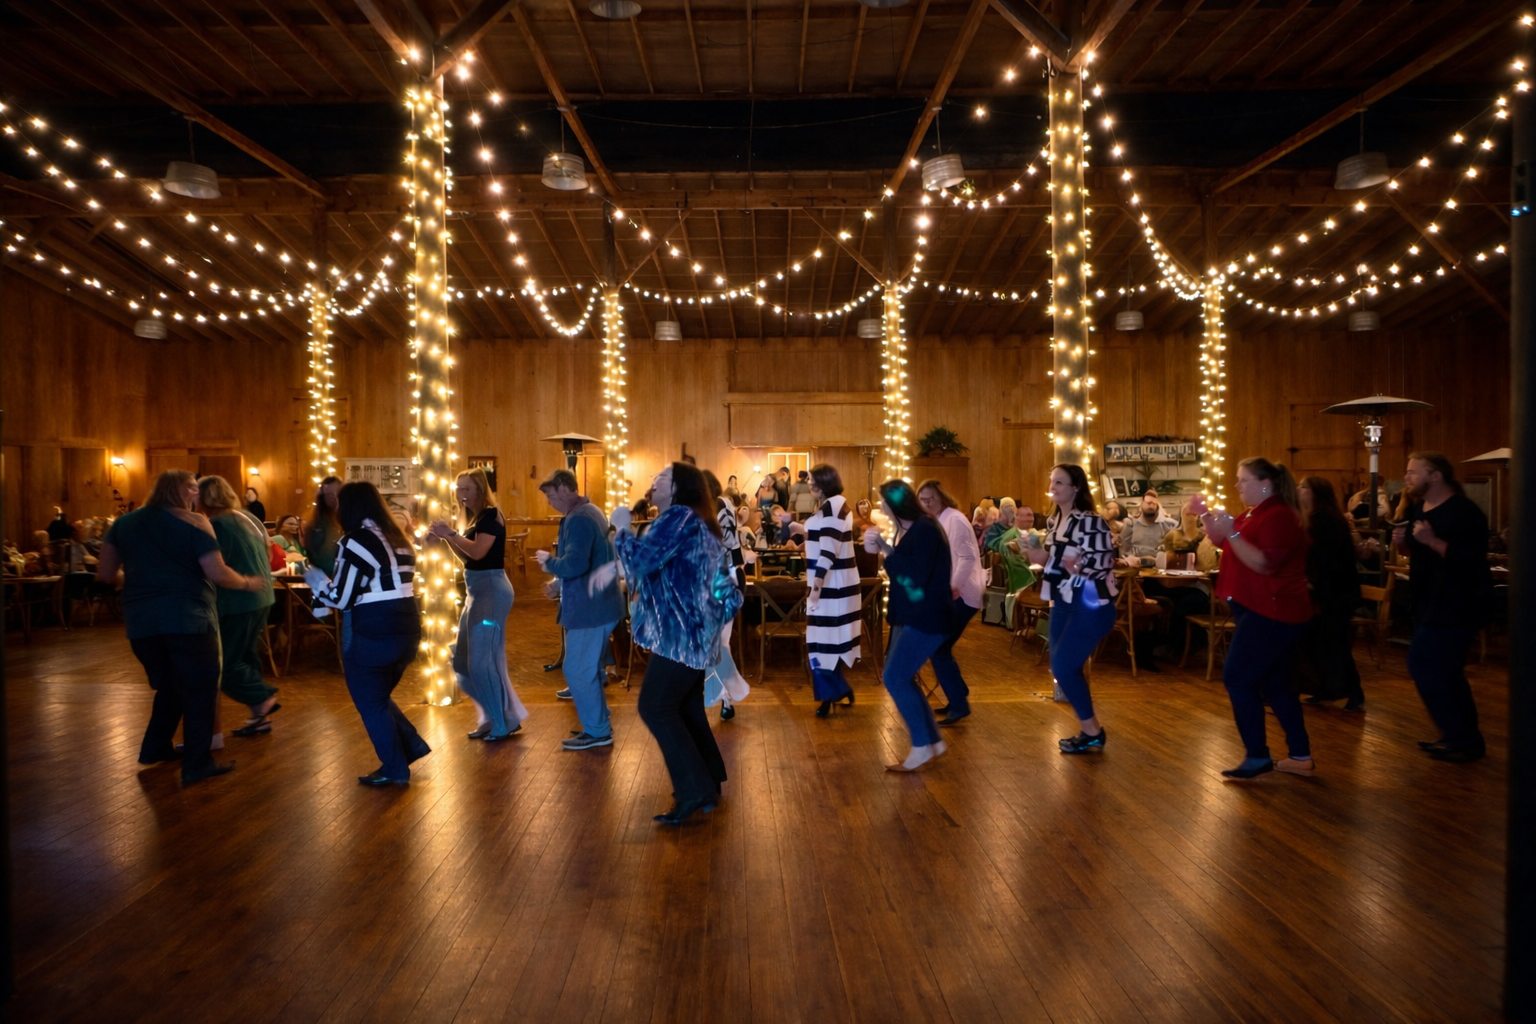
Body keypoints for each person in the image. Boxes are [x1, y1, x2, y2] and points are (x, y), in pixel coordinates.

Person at [97, 470, 266, 785]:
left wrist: (139, 577)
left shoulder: (124, 523)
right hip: (188, 618)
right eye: (193, 489)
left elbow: (106, 573)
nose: (196, 496)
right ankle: (197, 764)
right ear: (183, 491)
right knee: (200, 690)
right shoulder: (195, 523)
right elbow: (216, 571)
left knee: (171, 685)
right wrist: (247, 582)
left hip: (141, 623)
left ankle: (155, 748)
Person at [612, 462, 742, 824]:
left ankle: (694, 790)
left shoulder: (677, 518)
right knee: (684, 708)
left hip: (680, 635)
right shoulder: (694, 521)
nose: (653, 483)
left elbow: (641, 564)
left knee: (655, 707)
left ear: (679, 487)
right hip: (694, 632)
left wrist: (622, 530)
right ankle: (708, 781)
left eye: (661, 478)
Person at [1194, 458, 1315, 780]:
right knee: (1277, 686)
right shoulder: (1254, 513)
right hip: (1260, 610)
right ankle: (1300, 756)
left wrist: (1232, 531)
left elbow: (1264, 564)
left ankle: (1258, 754)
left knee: (1238, 678)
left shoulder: (1280, 517)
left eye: (1243, 480)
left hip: (1273, 613)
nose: (1237, 486)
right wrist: (1206, 516)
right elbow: (1223, 542)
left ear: (1265, 484)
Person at [308, 482, 431, 785]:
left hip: (376, 629)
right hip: (408, 626)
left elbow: (342, 598)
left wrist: (316, 582)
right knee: (376, 696)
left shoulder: (356, 541)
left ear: (348, 507)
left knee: (370, 701)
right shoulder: (398, 538)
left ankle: (395, 767)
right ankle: (408, 748)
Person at [1393, 452, 1493, 762]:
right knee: (1446, 672)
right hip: (1427, 601)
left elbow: (1473, 560)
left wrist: (1433, 541)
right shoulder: (1419, 507)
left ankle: (1462, 737)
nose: (1407, 477)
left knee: (1423, 665)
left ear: (1435, 476)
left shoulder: (1465, 512)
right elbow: (1416, 552)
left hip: (1456, 603)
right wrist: (1403, 544)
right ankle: (1461, 738)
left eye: (1413, 472)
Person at [1025, 464, 1119, 754]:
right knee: (1062, 668)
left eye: (1060, 482)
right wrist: (1032, 553)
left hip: (1089, 604)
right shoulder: (1055, 521)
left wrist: (1078, 566)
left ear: (1076, 487)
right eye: (1052, 481)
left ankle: (1092, 730)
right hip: (1063, 601)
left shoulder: (1091, 521)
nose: (1053, 487)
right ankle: (1090, 730)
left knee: (1064, 667)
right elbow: (1053, 560)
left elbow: (1104, 562)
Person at [428, 467, 527, 742]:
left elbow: (478, 552)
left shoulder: (491, 516)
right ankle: (496, 717)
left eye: (466, 489)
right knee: (461, 662)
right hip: (476, 591)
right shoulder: (476, 518)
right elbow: (467, 559)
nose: (460, 494)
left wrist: (450, 534)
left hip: (491, 592)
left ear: (480, 490)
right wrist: (447, 537)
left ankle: (501, 722)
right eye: (458, 488)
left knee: (482, 663)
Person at [862, 479, 955, 771]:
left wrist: (885, 551)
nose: (880, 507)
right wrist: (885, 548)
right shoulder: (916, 528)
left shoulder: (924, 529)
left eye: (882, 501)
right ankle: (931, 741)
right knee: (902, 677)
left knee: (895, 678)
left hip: (927, 617)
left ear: (894, 503)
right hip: (917, 615)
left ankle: (921, 746)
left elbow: (915, 576)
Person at [535, 469, 626, 749]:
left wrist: (549, 562)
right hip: (600, 604)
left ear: (564, 488)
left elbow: (576, 564)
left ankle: (598, 731)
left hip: (590, 608)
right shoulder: (591, 511)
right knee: (588, 669)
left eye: (550, 495)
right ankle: (598, 723)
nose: (549, 502)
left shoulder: (579, 518)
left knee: (577, 670)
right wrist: (558, 585)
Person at [197, 475, 280, 738]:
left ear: (204, 497)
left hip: (237, 599)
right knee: (247, 655)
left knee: (226, 663)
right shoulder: (249, 517)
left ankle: (262, 698)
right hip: (263, 594)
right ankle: (259, 717)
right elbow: (269, 552)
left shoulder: (214, 525)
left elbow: (212, 566)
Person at [917, 479, 985, 726]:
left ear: (942, 497)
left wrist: (953, 587)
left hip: (963, 594)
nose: (926, 503)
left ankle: (959, 703)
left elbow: (966, 558)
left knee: (938, 647)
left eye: (930, 498)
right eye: (922, 500)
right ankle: (958, 695)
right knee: (941, 647)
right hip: (953, 593)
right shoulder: (940, 519)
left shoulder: (954, 519)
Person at [1298, 476, 1365, 711]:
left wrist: (1311, 582)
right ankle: (1325, 688)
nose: (1298, 489)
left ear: (1316, 493)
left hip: (1333, 593)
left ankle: (1354, 693)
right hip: (1324, 591)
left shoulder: (1326, 520)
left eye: (1304, 487)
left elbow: (1327, 558)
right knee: (1319, 644)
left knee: (1335, 644)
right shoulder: (1314, 519)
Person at [804, 464, 861, 718]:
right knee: (823, 645)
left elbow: (828, 551)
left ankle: (833, 693)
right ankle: (836, 690)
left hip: (832, 589)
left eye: (813, 481)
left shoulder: (833, 506)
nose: (809, 484)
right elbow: (823, 540)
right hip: (831, 586)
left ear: (824, 483)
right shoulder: (832, 505)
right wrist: (797, 530)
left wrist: (816, 589)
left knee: (822, 646)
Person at [702, 470, 750, 720]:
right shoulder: (721, 507)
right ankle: (726, 697)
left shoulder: (718, 508)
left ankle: (724, 696)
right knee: (718, 643)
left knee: (717, 644)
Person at [984, 503, 1036, 593]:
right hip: (1023, 585)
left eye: (1031, 515)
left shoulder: (1031, 533)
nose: (1030, 518)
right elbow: (1020, 568)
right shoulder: (1009, 538)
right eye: (1027, 516)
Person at [305, 476, 342, 576]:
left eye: (337, 493)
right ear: (323, 496)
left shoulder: (347, 521)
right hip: (326, 580)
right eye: (330, 494)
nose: (334, 497)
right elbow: (321, 559)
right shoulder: (317, 525)